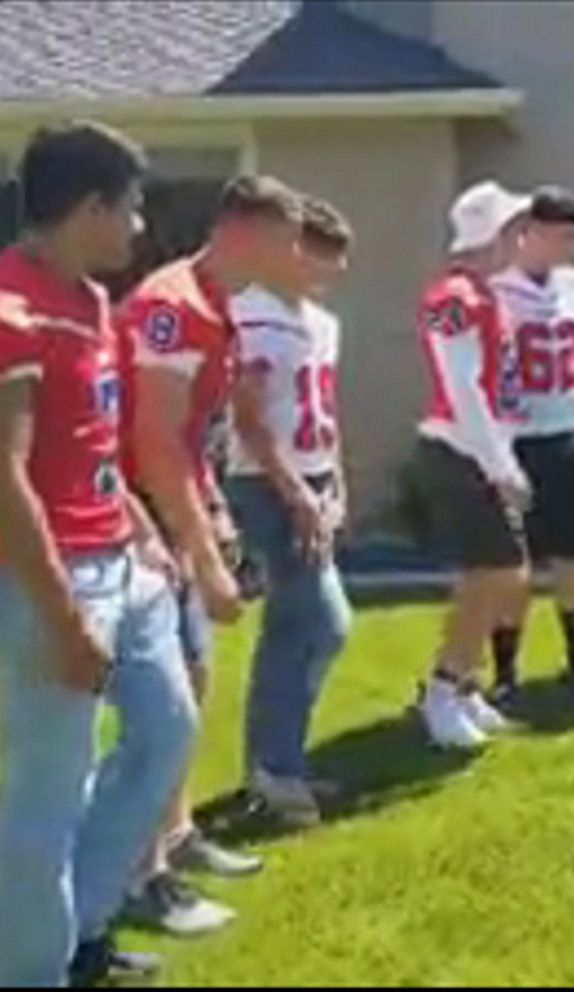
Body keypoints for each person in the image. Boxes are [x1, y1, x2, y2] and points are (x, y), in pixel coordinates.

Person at [0, 122, 198, 988]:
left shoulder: (93, 302)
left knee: (166, 734)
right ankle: (31, 969)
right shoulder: (11, 308)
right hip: (56, 579)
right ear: (90, 208)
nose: (140, 226)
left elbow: (95, 450)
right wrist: (65, 617)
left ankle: (78, 930)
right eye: (132, 207)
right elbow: (5, 480)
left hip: (122, 560)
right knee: (49, 795)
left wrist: (149, 539)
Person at [120, 175, 304, 933]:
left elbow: (196, 437)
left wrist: (217, 509)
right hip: (136, 519)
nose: (294, 254)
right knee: (157, 704)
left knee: (192, 680)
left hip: (177, 506)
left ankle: (176, 833)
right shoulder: (173, 307)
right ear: (241, 229)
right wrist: (203, 557)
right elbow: (153, 443)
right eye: (284, 237)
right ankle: (140, 873)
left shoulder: (216, 303)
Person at [227, 197, 354, 828]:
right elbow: (248, 416)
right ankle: (275, 765)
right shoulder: (251, 315)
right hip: (271, 482)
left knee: (301, 626)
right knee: (319, 621)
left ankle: (278, 761)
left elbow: (327, 410)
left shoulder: (321, 323)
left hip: (314, 475)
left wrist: (337, 484)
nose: (330, 270)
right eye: (320, 254)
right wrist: (296, 491)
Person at [416, 180, 533, 750]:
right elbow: (461, 385)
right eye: (514, 228)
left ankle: (461, 683)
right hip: (459, 450)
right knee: (492, 573)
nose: (521, 239)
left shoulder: (485, 295)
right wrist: (501, 464)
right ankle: (442, 688)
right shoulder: (454, 296)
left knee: (500, 574)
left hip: (478, 449)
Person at [488, 187, 574, 697]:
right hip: (516, 437)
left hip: (567, 430)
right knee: (511, 565)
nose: (570, 247)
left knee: (573, 556)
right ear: (530, 232)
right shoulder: (495, 291)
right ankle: (504, 673)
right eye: (562, 235)